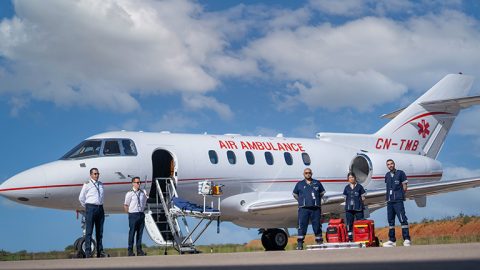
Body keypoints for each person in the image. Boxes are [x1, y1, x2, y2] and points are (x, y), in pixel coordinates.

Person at [292, 168, 326, 250]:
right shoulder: (299, 184)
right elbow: (295, 195)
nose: (308, 174)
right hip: (304, 209)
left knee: (317, 225)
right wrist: (302, 201)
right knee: (302, 226)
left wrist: (315, 200)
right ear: (303, 174)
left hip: (315, 208)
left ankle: (319, 241)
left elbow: (321, 194)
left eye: (309, 173)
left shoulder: (317, 183)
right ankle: (300, 244)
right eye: (306, 173)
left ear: (312, 173)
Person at [78, 168, 107, 258]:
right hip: (90, 208)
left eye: (98, 173)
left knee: (100, 232)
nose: (96, 175)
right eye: (94, 174)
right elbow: (81, 198)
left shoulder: (101, 184)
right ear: (91, 175)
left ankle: (100, 251)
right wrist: (87, 207)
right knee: (89, 231)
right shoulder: (87, 184)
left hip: (100, 208)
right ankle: (88, 252)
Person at [383, 159, 411, 247]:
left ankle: (406, 239)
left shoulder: (400, 173)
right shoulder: (387, 175)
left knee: (402, 219)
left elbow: (405, 186)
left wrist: (401, 195)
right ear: (387, 166)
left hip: (398, 200)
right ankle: (392, 240)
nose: (390, 165)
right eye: (388, 164)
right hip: (390, 201)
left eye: (391, 164)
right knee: (390, 221)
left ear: (394, 164)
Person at [124, 177, 148, 256]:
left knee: (140, 233)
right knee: (132, 233)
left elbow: (144, 202)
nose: (139, 184)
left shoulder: (142, 193)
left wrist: (142, 210)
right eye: (137, 182)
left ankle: (139, 250)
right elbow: (126, 205)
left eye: (139, 182)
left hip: (141, 214)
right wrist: (129, 214)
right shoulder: (129, 193)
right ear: (133, 183)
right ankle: (130, 250)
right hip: (133, 214)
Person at [343, 172, 366, 242]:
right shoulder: (346, 188)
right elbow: (345, 197)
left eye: (352, 177)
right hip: (349, 209)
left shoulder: (359, 187)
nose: (351, 179)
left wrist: (360, 201)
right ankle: (350, 238)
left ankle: (361, 237)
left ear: (355, 178)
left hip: (358, 208)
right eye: (350, 177)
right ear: (348, 179)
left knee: (360, 223)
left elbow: (363, 197)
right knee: (349, 224)